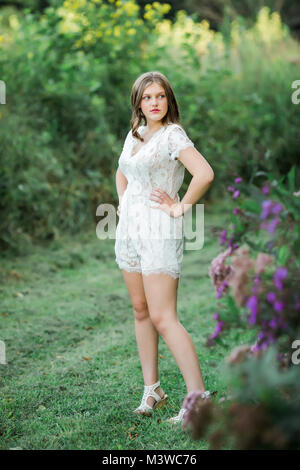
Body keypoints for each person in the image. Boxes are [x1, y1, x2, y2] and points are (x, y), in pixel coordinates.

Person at [115, 71, 214, 424]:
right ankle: (152, 389)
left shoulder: (173, 135)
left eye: (160, 96)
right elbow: (122, 172)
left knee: (163, 316)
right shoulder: (135, 134)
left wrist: (179, 207)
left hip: (159, 229)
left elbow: (204, 173)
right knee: (141, 310)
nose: (154, 103)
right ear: (138, 103)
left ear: (168, 100)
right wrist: (124, 203)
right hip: (129, 229)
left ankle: (197, 398)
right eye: (147, 97)